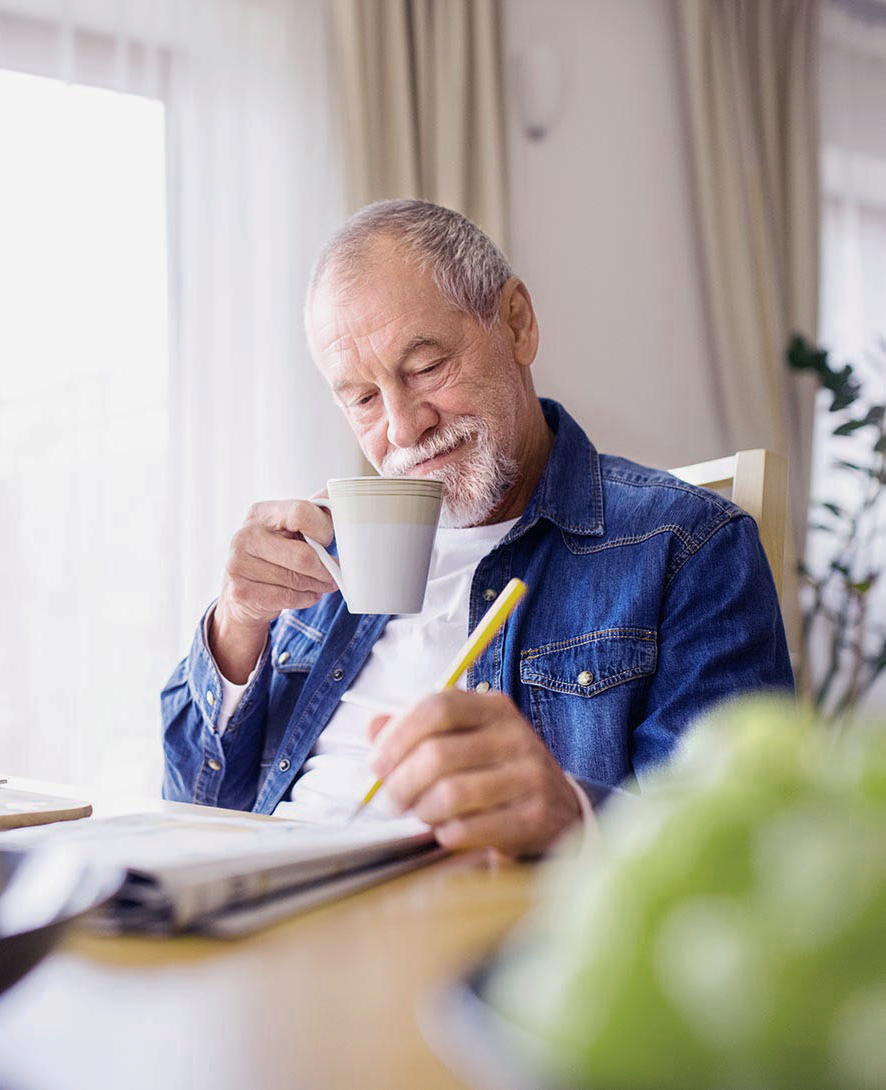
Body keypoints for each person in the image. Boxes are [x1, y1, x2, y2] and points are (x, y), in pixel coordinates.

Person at [161, 199, 793, 856]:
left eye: (426, 367)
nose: (404, 428)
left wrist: (573, 819)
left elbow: (740, 847)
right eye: (363, 398)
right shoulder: (327, 554)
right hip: (268, 912)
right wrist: (236, 623)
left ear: (515, 323)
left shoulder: (684, 544)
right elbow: (189, 810)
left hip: (476, 936)